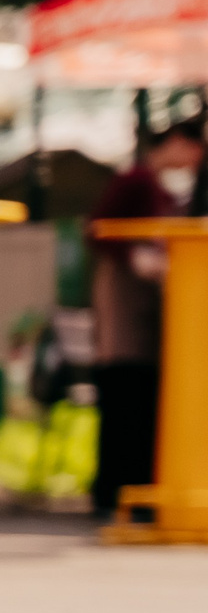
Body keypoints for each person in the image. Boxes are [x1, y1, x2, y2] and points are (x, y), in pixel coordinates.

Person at [87, 118, 203, 516]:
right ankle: (117, 493)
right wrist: (137, 257)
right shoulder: (137, 181)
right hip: (126, 306)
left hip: (151, 309)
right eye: (194, 149)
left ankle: (133, 490)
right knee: (127, 397)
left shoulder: (164, 189)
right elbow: (97, 229)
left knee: (142, 398)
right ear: (174, 142)